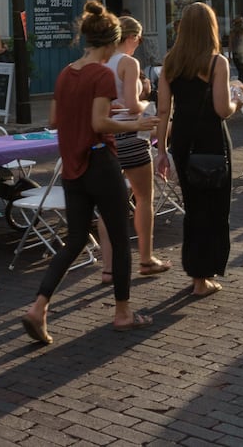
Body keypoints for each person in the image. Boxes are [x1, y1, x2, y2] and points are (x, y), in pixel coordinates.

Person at [19, 1, 159, 345]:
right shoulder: (102, 74)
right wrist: (137, 122)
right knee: (118, 232)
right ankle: (123, 312)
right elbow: (99, 123)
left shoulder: (67, 72)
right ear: (112, 42)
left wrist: (87, 111)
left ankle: (38, 307)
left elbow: (54, 120)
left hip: (73, 166)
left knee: (76, 239)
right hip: (100, 161)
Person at [155, 1, 239, 297]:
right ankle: (204, 276)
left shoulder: (170, 62)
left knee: (193, 208)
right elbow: (222, 108)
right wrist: (236, 101)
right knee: (215, 208)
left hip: (183, 140)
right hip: (212, 140)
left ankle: (196, 274)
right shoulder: (217, 63)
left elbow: (163, 110)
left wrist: (161, 150)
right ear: (211, 28)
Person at [92, 15, 169, 283]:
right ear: (131, 37)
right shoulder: (128, 62)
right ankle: (146, 259)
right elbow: (133, 105)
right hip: (131, 134)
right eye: (138, 38)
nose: (138, 43)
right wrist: (145, 94)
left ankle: (108, 268)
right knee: (143, 199)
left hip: (107, 136)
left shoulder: (101, 61)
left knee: (107, 205)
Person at [226, 17, 243, 83]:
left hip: (236, 55)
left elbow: (230, 45)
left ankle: (241, 86)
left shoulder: (232, 33)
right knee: (242, 73)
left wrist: (229, 56)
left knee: (240, 72)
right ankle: (242, 86)